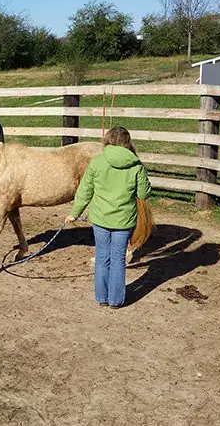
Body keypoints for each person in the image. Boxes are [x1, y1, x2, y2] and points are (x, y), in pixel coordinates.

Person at [65, 126, 151, 309]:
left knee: (102, 257)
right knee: (118, 259)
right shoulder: (137, 166)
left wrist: (74, 214)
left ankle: (101, 297)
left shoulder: (96, 162)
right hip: (124, 221)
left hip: (100, 220)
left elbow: (84, 192)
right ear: (127, 142)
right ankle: (116, 300)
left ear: (107, 140)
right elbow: (143, 194)